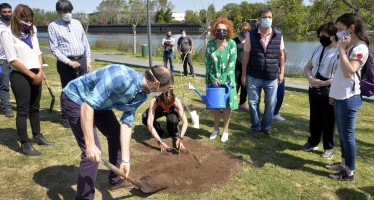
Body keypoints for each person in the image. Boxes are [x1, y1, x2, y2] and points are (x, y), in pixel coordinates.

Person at [61, 64, 173, 199]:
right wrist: (90, 144)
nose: (161, 94)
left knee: (116, 134)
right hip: (76, 98)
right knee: (91, 154)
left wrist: (126, 160)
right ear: (155, 84)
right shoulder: (120, 76)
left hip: (99, 104)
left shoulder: (142, 95)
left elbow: (126, 124)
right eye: (163, 90)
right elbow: (88, 105)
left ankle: (116, 180)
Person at [1, 4, 54, 156]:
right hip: (20, 75)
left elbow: (37, 51)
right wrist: (32, 75)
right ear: (17, 18)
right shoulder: (7, 33)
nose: (28, 23)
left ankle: (37, 135)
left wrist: (40, 70)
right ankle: (25, 143)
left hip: (36, 72)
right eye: (25, 20)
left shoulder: (32, 30)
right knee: (23, 110)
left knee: (35, 108)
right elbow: (12, 59)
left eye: (30, 20)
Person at [326, 13, 369, 181]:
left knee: (347, 135)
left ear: (351, 28)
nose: (337, 32)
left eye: (340, 29)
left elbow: (349, 71)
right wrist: (333, 93)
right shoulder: (349, 46)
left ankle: (349, 171)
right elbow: (339, 73)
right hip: (340, 96)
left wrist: (341, 50)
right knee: (343, 135)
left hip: (349, 98)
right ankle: (344, 163)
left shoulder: (360, 48)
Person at [241, 8, 286, 136]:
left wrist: (282, 72)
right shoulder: (251, 34)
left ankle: (266, 126)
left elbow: (281, 55)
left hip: (272, 76)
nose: (267, 19)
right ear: (259, 19)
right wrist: (244, 74)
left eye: (269, 17)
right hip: (254, 75)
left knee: (271, 103)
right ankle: (255, 126)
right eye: (265, 17)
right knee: (253, 102)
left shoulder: (278, 34)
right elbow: (246, 55)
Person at [48, 0, 92, 128]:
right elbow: (54, 49)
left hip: (82, 59)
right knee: (67, 89)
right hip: (66, 62)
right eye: (64, 11)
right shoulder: (53, 26)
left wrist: (88, 60)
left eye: (69, 11)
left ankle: (83, 113)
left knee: (84, 87)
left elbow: (85, 42)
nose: (68, 14)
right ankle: (65, 115)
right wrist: (68, 62)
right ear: (58, 12)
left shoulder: (77, 23)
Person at [301, 22, 339, 159]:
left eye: (325, 35)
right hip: (314, 87)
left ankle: (329, 147)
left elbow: (341, 75)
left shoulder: (340, 51)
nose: (322, 37)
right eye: (320, 35)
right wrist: (311, 79)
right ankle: (312, 141)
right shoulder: (318, 48)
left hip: (329, 89)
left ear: (334, 36)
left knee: (328, 120)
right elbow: (308, 67)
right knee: (314, 117)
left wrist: (324, 83)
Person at [206, 18, 238, 143]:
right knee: (216, 105)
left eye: (224, 30)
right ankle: (216, 129)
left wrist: (223, 78)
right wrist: (214, 78)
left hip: (228, 80)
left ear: (228, 31)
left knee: (227, 106)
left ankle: (225, 130)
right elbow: (208, 62)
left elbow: (232, 63)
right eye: (219, 30)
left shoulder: (232, 44)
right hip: (213, 80)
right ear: (215, 30)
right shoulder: (210, 44)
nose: (221, 32)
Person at [233, 22, 250, 112]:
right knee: (235, 84)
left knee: (245, 85)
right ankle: (233, 102)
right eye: (243, 30)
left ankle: (242, 103)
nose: (245, 32)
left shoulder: (250, 41)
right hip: (235, 67)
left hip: (246, 67)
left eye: (247, 30)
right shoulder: (234, 40)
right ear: (240, 29)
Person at [0, 3, 13, 117]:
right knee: (4, 84)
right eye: (4, 12)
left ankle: (7, 106)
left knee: (10, 84)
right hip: (2, 60)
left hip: (14, 59)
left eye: (9, 11)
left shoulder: (15, 25)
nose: (7, 14)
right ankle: (6, 106)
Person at [272, 49, 287, 121]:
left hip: (278, 72)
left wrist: (281, 72)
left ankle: (275, 113)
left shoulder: (280, 41)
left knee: (280, 94)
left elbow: (284, 56)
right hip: (265, 72)